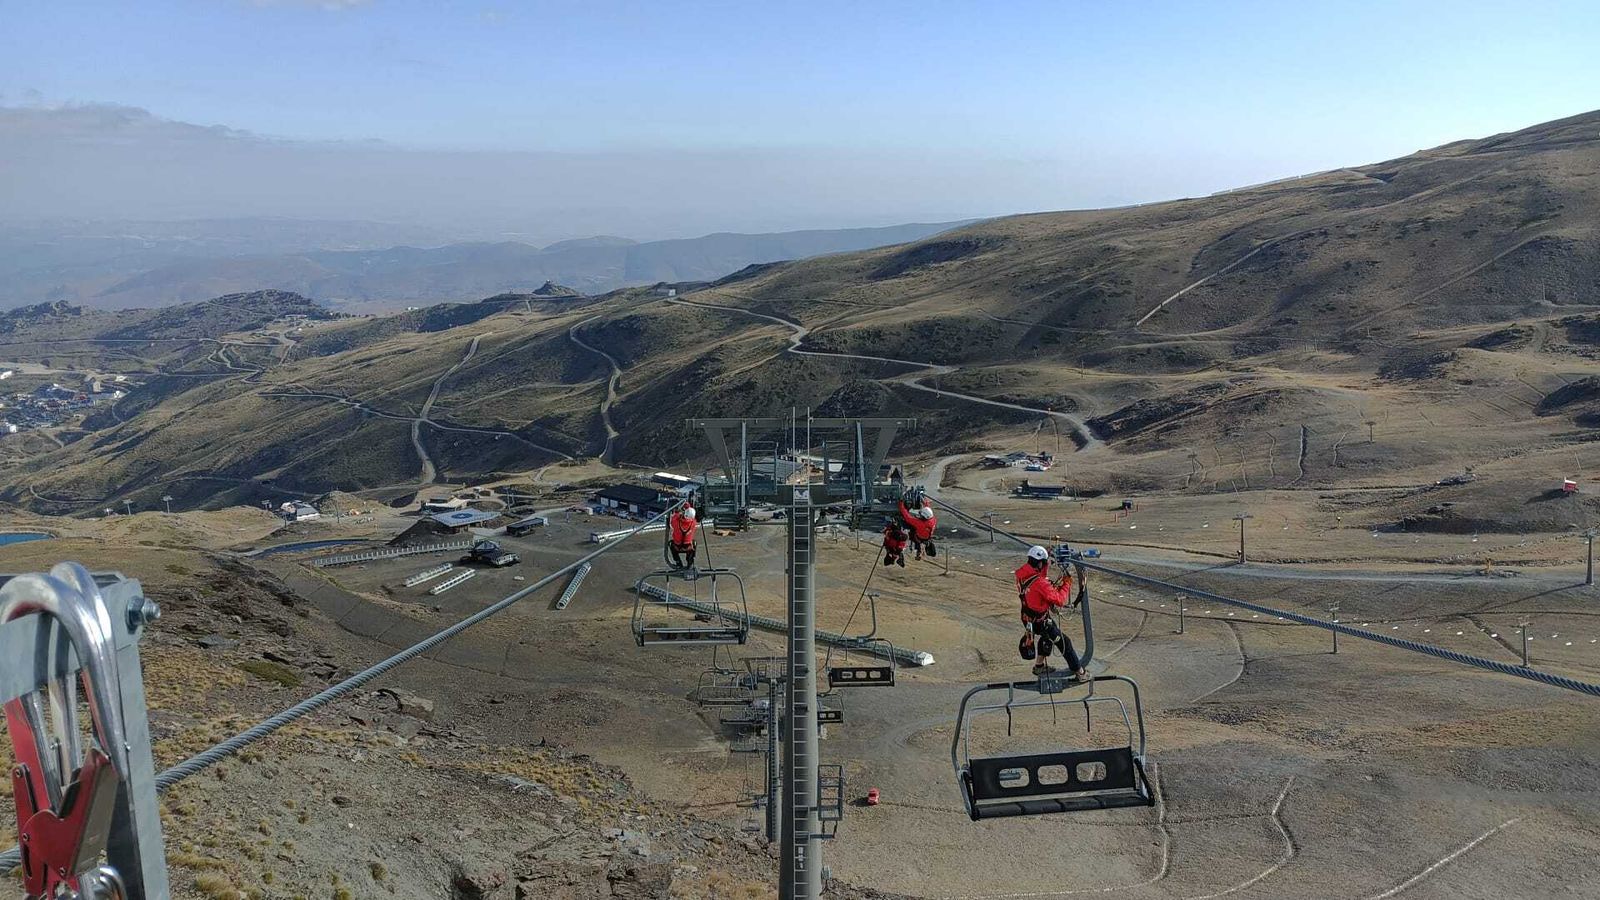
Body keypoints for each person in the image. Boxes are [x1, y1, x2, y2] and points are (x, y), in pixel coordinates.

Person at [1017, 547, 1088, 681]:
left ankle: (1039, 666)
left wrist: (1048, 555)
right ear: (1039, 564)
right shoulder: (1040, 583)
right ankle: (1080, 672)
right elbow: (1060, 600)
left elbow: (1037, 588)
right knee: (1064, 642)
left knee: (1047, 637)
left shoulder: (1023, 575)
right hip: (1040, 620)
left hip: (1028, 618)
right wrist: (1066, 583)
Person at [668, 505, 699, 570]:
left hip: (677, 546)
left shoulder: (676, 522)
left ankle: (678, 562)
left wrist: (677, 513)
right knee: (694, 543)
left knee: (670, 543)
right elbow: (691, 518)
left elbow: (673, 519)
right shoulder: (693, 523)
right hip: (688, 547)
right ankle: (690, 562)